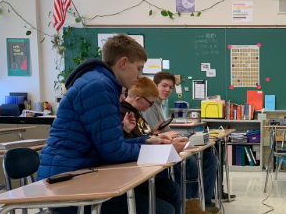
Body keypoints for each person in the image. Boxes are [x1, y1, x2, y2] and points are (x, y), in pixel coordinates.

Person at [37, 34, 181, 214]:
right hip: (66, 184)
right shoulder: (98, 86)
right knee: (162, 209)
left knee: (169, 190)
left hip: (85, 174)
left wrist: (150, 141)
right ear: (123, 62)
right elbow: (114, 152)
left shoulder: (103, 84)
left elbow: (112, 145)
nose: (139, 76)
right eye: (138, 68)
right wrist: (160, 149)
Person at [141, 72, 228, 212]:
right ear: (154, 86)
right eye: (164, 86)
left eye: (170, 87)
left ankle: (203, 204)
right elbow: (155, 134)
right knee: (189, 161)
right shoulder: (149, 105)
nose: (168, 90)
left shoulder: (160, 105)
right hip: (159, 150)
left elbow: (165, 131)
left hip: (168, 145)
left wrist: (178, 137)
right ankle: (190, 207)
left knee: (211, 159)